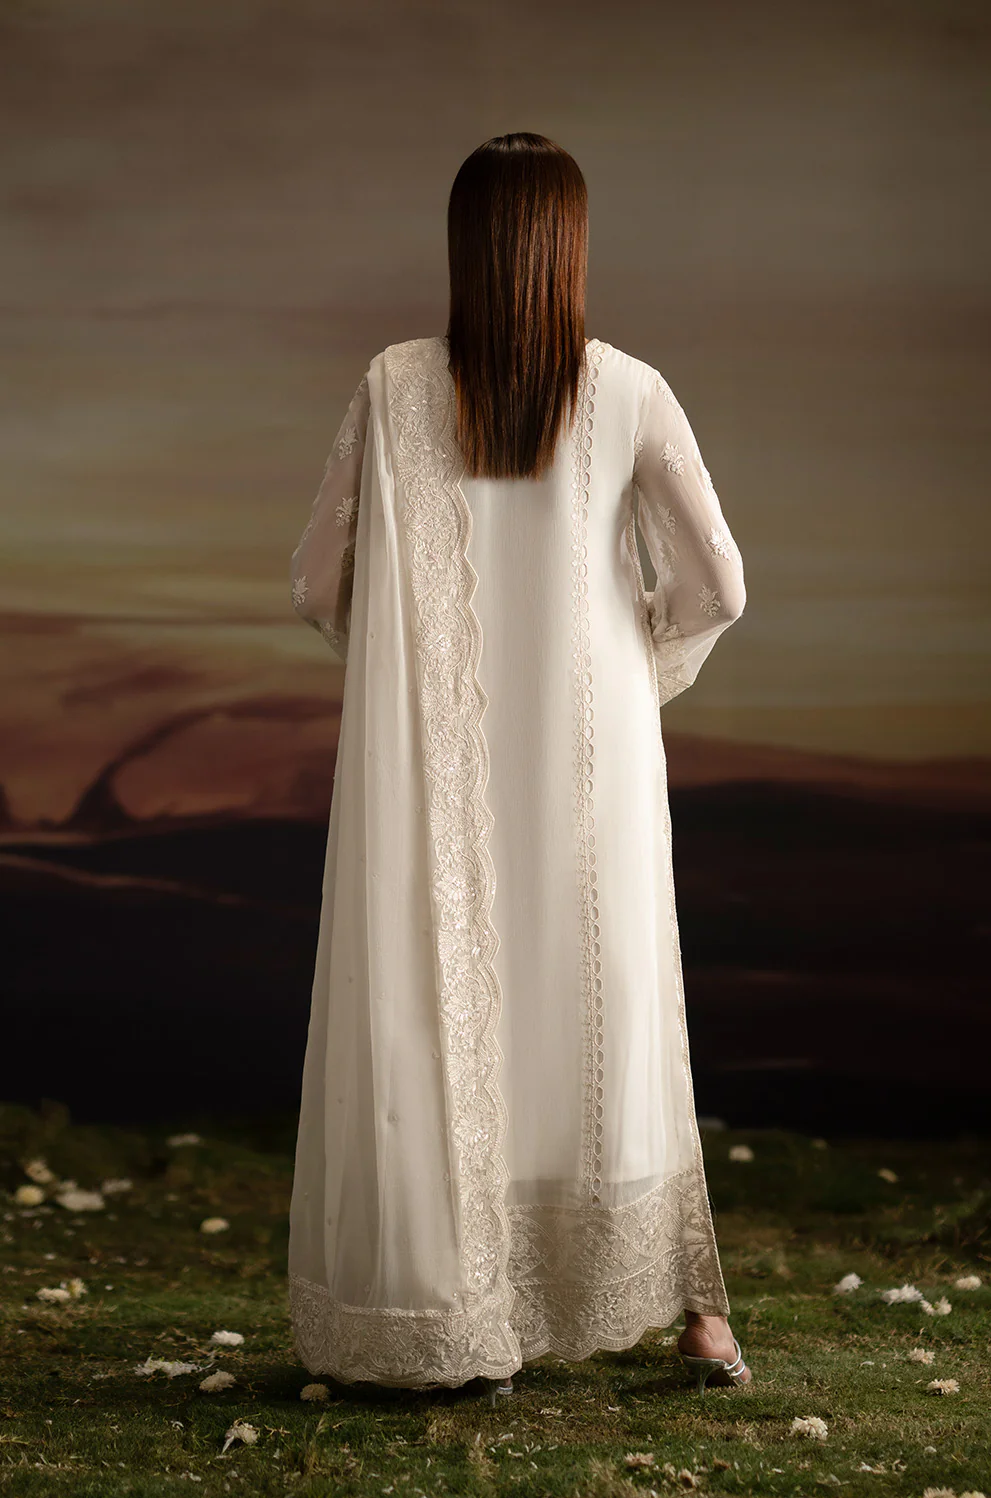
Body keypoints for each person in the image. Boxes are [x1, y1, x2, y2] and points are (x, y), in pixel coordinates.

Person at [286, 132, 750, 1405]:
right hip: (590, 756)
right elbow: (717, 584)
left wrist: (407, 670)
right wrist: (634, 664)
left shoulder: (391, 386)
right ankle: (700, 1319)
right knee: (608, 1008)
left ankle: (450, 1303)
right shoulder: (632, 392)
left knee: (437, 1003)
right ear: (571, 249)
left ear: (463, 246)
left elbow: (317, 581)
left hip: (429, 760)